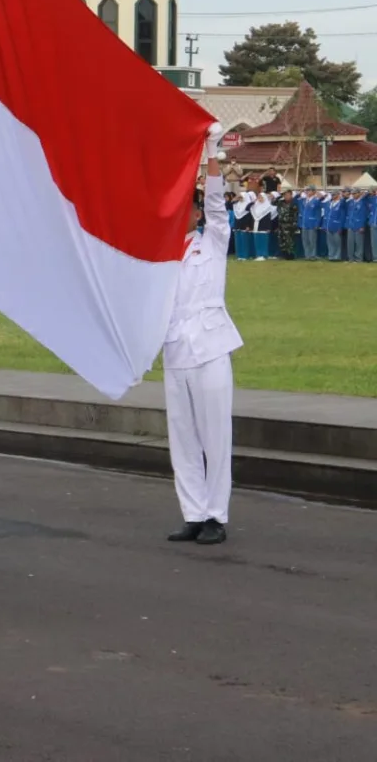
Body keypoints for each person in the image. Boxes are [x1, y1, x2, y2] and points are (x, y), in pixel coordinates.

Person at [162, 124, 242, 546]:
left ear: (195, 214)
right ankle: (192, 513)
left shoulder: (211, 241)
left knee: (215, 435)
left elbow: (216, 203)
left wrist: (212, 152)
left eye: (188, 210)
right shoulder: (160, 256)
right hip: (176, 350)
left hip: (210, 347)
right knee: (183, 438)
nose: (184, 216)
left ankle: (216, 514)